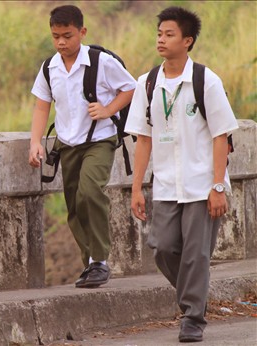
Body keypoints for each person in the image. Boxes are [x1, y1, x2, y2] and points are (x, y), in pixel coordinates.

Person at [125, 6, 239, 343]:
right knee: (162, 247)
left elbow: (222, 136)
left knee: (196, 253)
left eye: (169, 34)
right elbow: (142, 139)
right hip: (165, 185)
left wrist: (218, 186)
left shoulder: (206, 80)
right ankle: (196, 294)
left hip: (202, 183)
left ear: (187, 41)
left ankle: (192, 317)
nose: (161, 39)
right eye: (159, 33)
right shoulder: (146, 83)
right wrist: (136, 188)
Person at [28, 5, 136, 288]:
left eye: (67, 36)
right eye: (56, 36)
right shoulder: (49, 67)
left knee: (90, 192)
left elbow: (130, 87)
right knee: (75, 205)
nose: (61, 42)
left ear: (82, 32)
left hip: (100, 140)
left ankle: (100, 260)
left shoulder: (101, 62)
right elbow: (42, 106)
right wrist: (35, 143)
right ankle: (90, 263)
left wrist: (107, 108)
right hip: (67, 144)